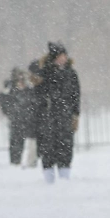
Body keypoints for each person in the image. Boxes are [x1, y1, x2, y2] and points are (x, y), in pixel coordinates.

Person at [33, 43, 80, 183]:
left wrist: (75, 114)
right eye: (60, 56)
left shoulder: (71, 73)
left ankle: (64, 174)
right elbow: (38, 95)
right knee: (48, 146)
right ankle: (49, 176)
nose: (63, 59)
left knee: (65, 144)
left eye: (64, 56)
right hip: (48, 115)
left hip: (65, 115)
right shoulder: (45, 72)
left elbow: (76, 95)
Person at [0, 68, 35, 166]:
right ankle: (15, 161)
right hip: (16, 119)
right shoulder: (10, 90)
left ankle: (30, 161)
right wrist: (9, 112)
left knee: (29, 140)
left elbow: (32, 101)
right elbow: (3, 101)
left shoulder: (28, 89)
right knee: (15, 141)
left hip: (27, 118)